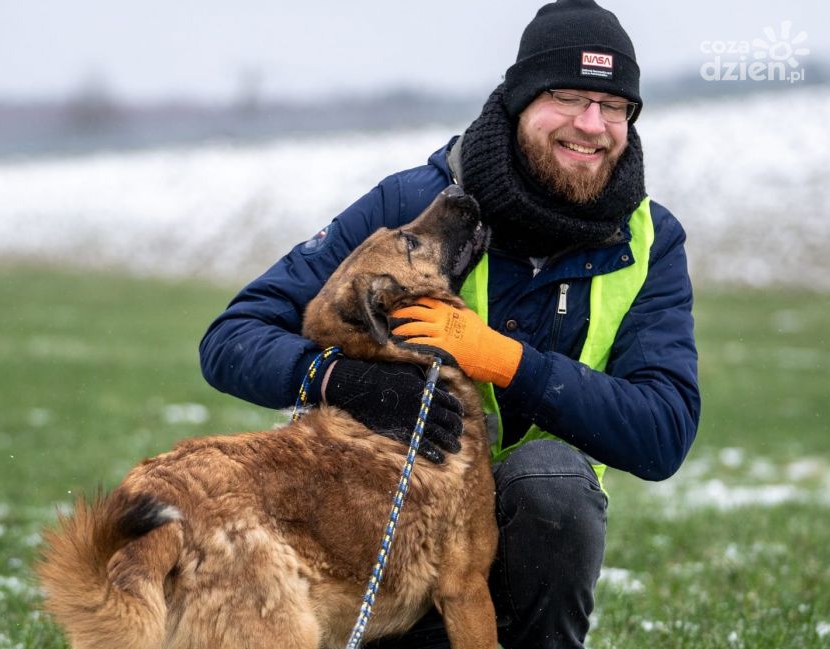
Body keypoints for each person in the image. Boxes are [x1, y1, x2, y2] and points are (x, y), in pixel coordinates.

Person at [199, 0, 700, 646]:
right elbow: (231, 336)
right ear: (519, 101)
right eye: (567, 98)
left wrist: (502, 360)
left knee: (552, 482)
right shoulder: (417, 207)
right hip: (390, 548)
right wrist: (339, 380)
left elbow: (661, 433)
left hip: (522, 552)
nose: (591, 124)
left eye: (613, 106)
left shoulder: (648, 240)